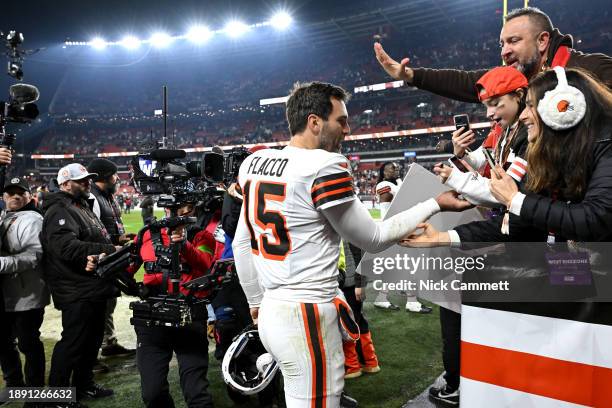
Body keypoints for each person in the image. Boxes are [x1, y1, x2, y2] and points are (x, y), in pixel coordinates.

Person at [233, 81, 472, 408]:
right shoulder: (325, 166)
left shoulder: (253, 165)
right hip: (307, 315)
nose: (348, 129)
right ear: (315, 122)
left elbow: (241, 243)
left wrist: (256, 300)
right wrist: (435, 203)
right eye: (341, 120)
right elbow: (373, 239)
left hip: (273, 308)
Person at [405, 67, 612, 406]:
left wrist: (515, 199)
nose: (525, 115)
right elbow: (516, 226)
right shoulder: (551, 153)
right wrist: (443, 238)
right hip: (571, 269)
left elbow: (595, 218)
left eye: (530, 105)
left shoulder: (604, 145)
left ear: (563, 107)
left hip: (598, 284)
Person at [101, 201, 219, 408]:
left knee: (196, 392)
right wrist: (104, 262)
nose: (178, 211)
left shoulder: (202, 236)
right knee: (152, 393)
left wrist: (183, 244)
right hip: (152, 317)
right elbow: (127, 269)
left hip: (189, 315)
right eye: (174, 206)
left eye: (184, 206)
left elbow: (205, 265)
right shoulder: (146, 234)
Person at [374, 7, 612, 100]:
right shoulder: (518, 77)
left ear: (542, 41)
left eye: (514, 41)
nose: (505, 51)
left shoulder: (590, 69)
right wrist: (411, 75)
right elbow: (467, 82)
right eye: (502, 44)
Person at [41, 163, 118, 407]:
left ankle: (83, 385)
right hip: (75, 288)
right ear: (65, 184)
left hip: (91, 286)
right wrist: (108, 250)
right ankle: (57, 397)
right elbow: (65, 247)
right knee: (73, 343)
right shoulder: (59, 209)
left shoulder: (80, 205)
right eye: (81, 180)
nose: (87, 183)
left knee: (91, 340)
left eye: (88, 179)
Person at [434, 66, 530, 209]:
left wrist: (454, 178)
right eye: (486, 106)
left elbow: (505, 192)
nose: (488, 114)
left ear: (519, 95)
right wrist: (460, 153)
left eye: (495, 104)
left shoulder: (530, 134)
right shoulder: (505, 128)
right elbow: (484, 159)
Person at [0, 178, 49, 399]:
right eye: (10, 193)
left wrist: (1, 263)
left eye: (21, 193)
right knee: (3, 342)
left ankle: (34, 391)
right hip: (6, 293)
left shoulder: (33, 219)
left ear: (30, 196)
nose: (15, 197)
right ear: (3, 197)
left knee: (28, 342)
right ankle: (13, 385)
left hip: (27, 293)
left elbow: (33, 257)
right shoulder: (3, 218)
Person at [86, 158, 136, 371]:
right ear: (104, 176)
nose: (118, 178)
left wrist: (119, 240)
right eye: (115, 175)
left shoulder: (106, 197)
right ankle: (90, 357)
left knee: (108, 305)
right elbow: (92, 232)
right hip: (99, 261)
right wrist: (109, 247)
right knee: (96, 310)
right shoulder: (94, 199)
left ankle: (108, 343)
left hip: (111, 256)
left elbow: (106, 229)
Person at [373, 161, 432, 313]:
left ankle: (382, 298)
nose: (396, 169)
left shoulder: (396, 183)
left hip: (400, 227)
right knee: (409, 266)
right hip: (395, 228)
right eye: (392, 168)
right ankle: (411, 301)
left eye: (397, 167)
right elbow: (390, 209)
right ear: (384, 172)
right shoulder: (383, 185)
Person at [338, 241, 380, 379]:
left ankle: (352, 366)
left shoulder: (346, 224)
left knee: (348, 324)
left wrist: (360, 283)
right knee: (357, 321)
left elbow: (361, 253)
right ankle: (369, 361)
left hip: (350, 283)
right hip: (348, 282)